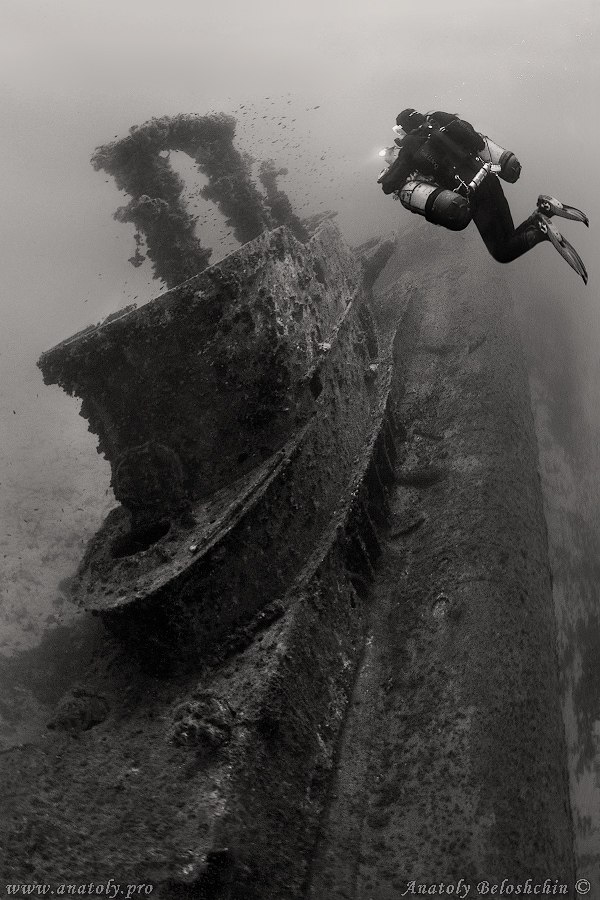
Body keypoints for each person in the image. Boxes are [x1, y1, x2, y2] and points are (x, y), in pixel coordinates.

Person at [379, 108, 589, 284]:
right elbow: (478, 143)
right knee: (509, 237)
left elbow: (389, 185)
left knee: (502, 252)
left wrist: (391, 165)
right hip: (490, 178)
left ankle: (542, 232)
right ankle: (543, 212)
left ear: (403, 128)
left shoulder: (409, 149)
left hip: (473, 195)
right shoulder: (440, 120)